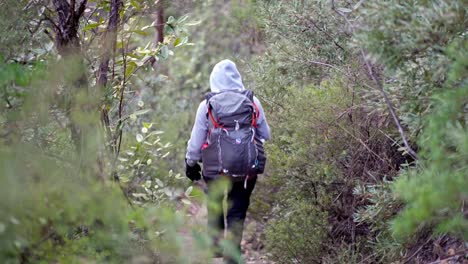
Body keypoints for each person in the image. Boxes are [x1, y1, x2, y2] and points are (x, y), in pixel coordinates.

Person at [185, 59, 270, 263]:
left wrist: (190, 162)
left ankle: (214, 246)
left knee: (215, 202)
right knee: (237, 209)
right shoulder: (252, 101)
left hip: (215, 169)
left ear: (214, 80)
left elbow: (196, 141)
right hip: (246, 168)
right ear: (237, 78)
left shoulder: (206, 105)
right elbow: (266, 134)